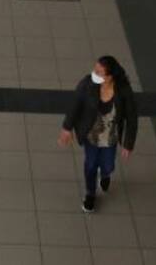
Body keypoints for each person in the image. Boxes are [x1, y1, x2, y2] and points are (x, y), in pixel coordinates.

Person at [59, 56, 138, 214]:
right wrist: (67, 128)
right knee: (90, 165)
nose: (94, 74)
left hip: (110, 138)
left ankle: (106, 174)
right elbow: (75, 105)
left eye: (99, 72)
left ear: (110, 77)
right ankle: (90, 193)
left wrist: (128, 144)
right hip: (91, 137)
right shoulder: (87, 84)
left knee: (108, 164)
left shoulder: (123, 91)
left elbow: (131, 117)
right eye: (95, 70)